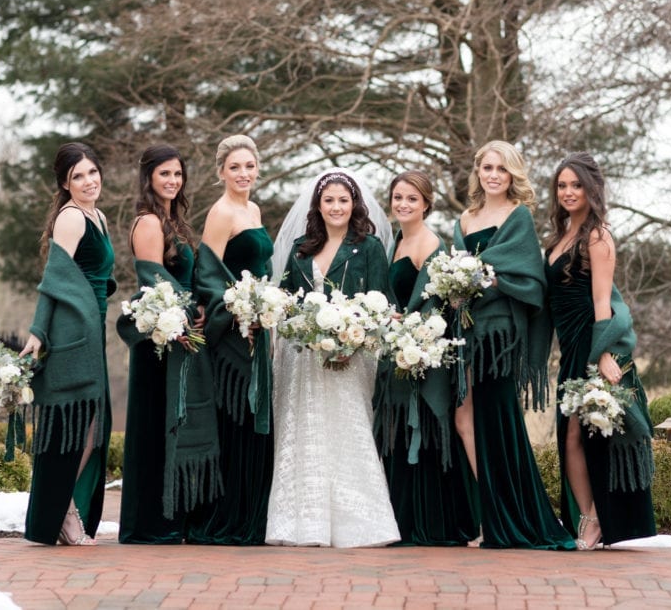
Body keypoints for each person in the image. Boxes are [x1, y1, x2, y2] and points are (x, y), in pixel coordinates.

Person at [267, 168, 400, 547]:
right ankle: (302, 523)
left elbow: (382, 302)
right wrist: (303, 328)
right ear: (318, 206)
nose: (336, 206)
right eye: (329, 200)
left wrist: (350, 340)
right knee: (306, 432)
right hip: (303, 359)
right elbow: (288, 302)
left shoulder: (369, 247)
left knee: (348, 430)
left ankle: (360, 522)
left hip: (352, 357)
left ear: (354, 204)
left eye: (343, 200)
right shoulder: (299, 247)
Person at [452, 141, 575, 550]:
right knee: (464, 418)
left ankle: (510, 521)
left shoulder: (517, 216)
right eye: (487, 167)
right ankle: (491, 514)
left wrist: (488, 279)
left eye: (501, 170)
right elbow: (455, 267)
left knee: (498, 422)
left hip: (499, 335)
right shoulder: (465, 219)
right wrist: (456, 283)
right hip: (465, 331)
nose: (492, 175)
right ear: (478, 172)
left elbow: (529, 277)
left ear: (512, 176)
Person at [544, 152, 656, 550]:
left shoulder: (598, 235)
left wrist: (604, 354)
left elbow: (602, 300)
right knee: (569, 436)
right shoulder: (558, 237)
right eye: (562, 186)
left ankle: (594, 520)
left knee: (581, 433)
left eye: (576, 185)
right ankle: (588, 515)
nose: (568, 192)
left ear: (592, 189)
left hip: (590, 346)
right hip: (568, 347)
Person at [116, 144, 220, 544]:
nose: (173, 181)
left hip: (177, 334)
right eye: (165, 174)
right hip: (155, 342)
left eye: (178, 174)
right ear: (149, 178)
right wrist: (185, 307)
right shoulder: (147, 223)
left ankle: (171, 516)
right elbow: (153, 280)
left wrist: (200, 308)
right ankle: (147, 523)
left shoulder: (174, 221)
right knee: (152, 427)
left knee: (168, 427)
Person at [374, 171, 479, 545]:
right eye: (398, 197)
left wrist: (412, 327)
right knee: (398, 431)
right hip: (397, 352)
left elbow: (435, 304)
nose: (403, 204)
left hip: (425, 353)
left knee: (427, 430)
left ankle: (434, 522)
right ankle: (403, 519)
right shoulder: (395, 242)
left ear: (426, 204)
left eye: (412, 199)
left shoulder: (431, 244)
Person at [20, 142, 115, 546]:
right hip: (69, 334)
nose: (88, 181)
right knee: (77, 430)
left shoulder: (100, 217)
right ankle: (63, 513)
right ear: (65, 183)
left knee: (96, 429)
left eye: (92, 172)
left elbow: (97, 274)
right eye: (78, 176)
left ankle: (64, 509)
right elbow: (53, 281)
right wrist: (37, 333)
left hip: (92, 331)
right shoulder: (71, 218)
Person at [190, 134, 275, 545]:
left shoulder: (254, 209)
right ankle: (228, 520)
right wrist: (237, 309)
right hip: (232, 333)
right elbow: (206, 274)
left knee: (257, 417)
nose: (243, 174)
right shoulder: (221, 212)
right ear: (221, 171)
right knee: (236, 418)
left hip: (259, 328)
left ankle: (252, 516)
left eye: (249, 166)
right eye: (235, 167)